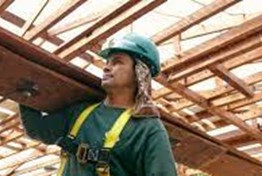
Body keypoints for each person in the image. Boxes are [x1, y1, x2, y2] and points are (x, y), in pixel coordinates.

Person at [19, 33, 177, 176]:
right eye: (107, 62)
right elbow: (36, 129)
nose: (106, 67)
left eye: (117, 62)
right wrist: (24, 90)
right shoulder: (80, 112)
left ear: (139, 73)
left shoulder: (147, 129)